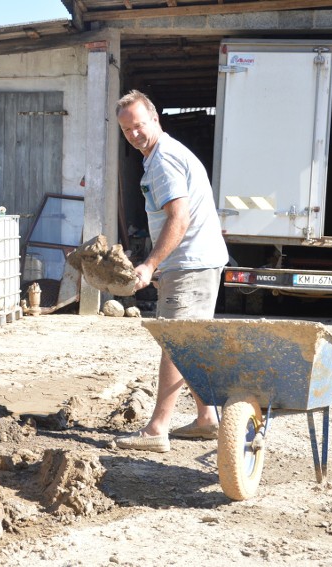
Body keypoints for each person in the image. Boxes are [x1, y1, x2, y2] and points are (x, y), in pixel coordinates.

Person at [114, 90, 229, 453]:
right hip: (193, 261)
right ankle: (207, 417)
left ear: (155, 119)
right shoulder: (161, 156)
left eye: (139, 125)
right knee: (188, 343)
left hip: (192, 261)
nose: (134, 134)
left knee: (176, 345)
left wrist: (151, 263)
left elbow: (180, 218)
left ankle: (157, 429)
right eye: (127, 129)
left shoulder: (163, 160)